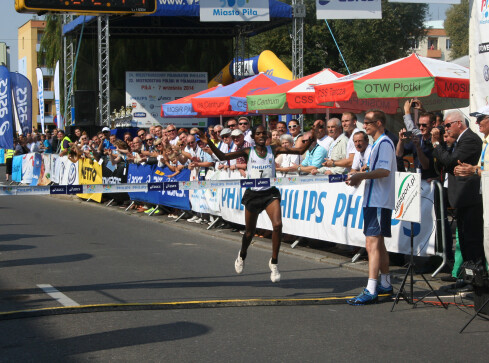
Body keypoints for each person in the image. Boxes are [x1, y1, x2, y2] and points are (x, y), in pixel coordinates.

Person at [200, 124, 316, 282]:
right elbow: (223, 157)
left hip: (269, 193)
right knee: (249, 232)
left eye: (264, 133)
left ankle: (274, 262)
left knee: (277, 225)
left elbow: (300, 151)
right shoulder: (248, 151)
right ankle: (242, 255)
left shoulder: (273, 150)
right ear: (253, 137)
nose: (261, 136)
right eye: (258, 134)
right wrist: (209, 142)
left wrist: (311, 139)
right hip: (253, 194)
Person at [346, 109, 397, 305]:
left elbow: (384, 171)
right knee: (379, 244)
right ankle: (384, 283)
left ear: (379, 123)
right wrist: (359, 176)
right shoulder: (377, 144)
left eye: (368, 121)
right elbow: (374, 171)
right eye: (364, 121)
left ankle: (371, 287)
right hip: (374, 199)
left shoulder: (383, 143)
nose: (364, 124)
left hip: (378, 200)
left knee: (372, 244)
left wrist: (361, 176)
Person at [432, 110, 484, 269]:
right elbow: (440, 165)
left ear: (458, 124)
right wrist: (441, 145)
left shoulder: (470, 140)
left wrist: (436, 144)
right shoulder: (457, 141)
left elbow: (450, 161)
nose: (445, 129)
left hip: (470, 196)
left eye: (448, 125)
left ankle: (476, 278)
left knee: (471, 239)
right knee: (463, 237)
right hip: (461, 196)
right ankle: (468, 276)